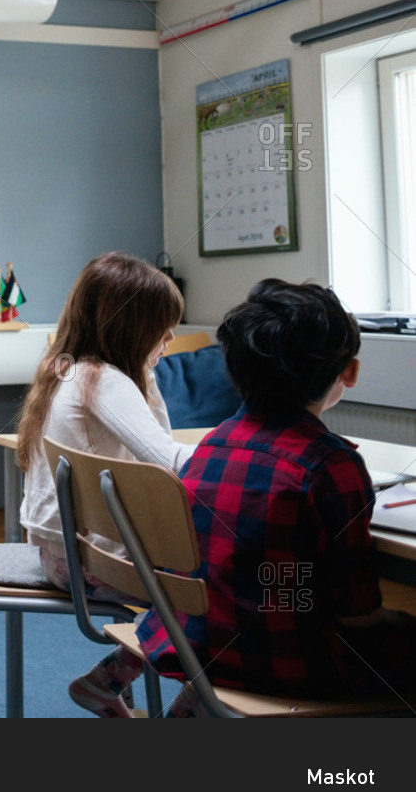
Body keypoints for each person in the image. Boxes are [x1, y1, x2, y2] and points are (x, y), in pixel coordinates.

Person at [135, 279, 416, 710]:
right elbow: (355, 610)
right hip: (291, 668)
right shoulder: (330, 465)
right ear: (350, 372)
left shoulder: (211, 445)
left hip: (196, 648)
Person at [13, 251, 191, 717]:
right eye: (162, 327)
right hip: (92, 563)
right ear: (131, 330)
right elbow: (172, 460)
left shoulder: (67, 369)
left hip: (62, 555)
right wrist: (236, 459)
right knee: (228, 588)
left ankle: (111, 681)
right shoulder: (103, 380)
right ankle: (135, 689)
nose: (170, 338)